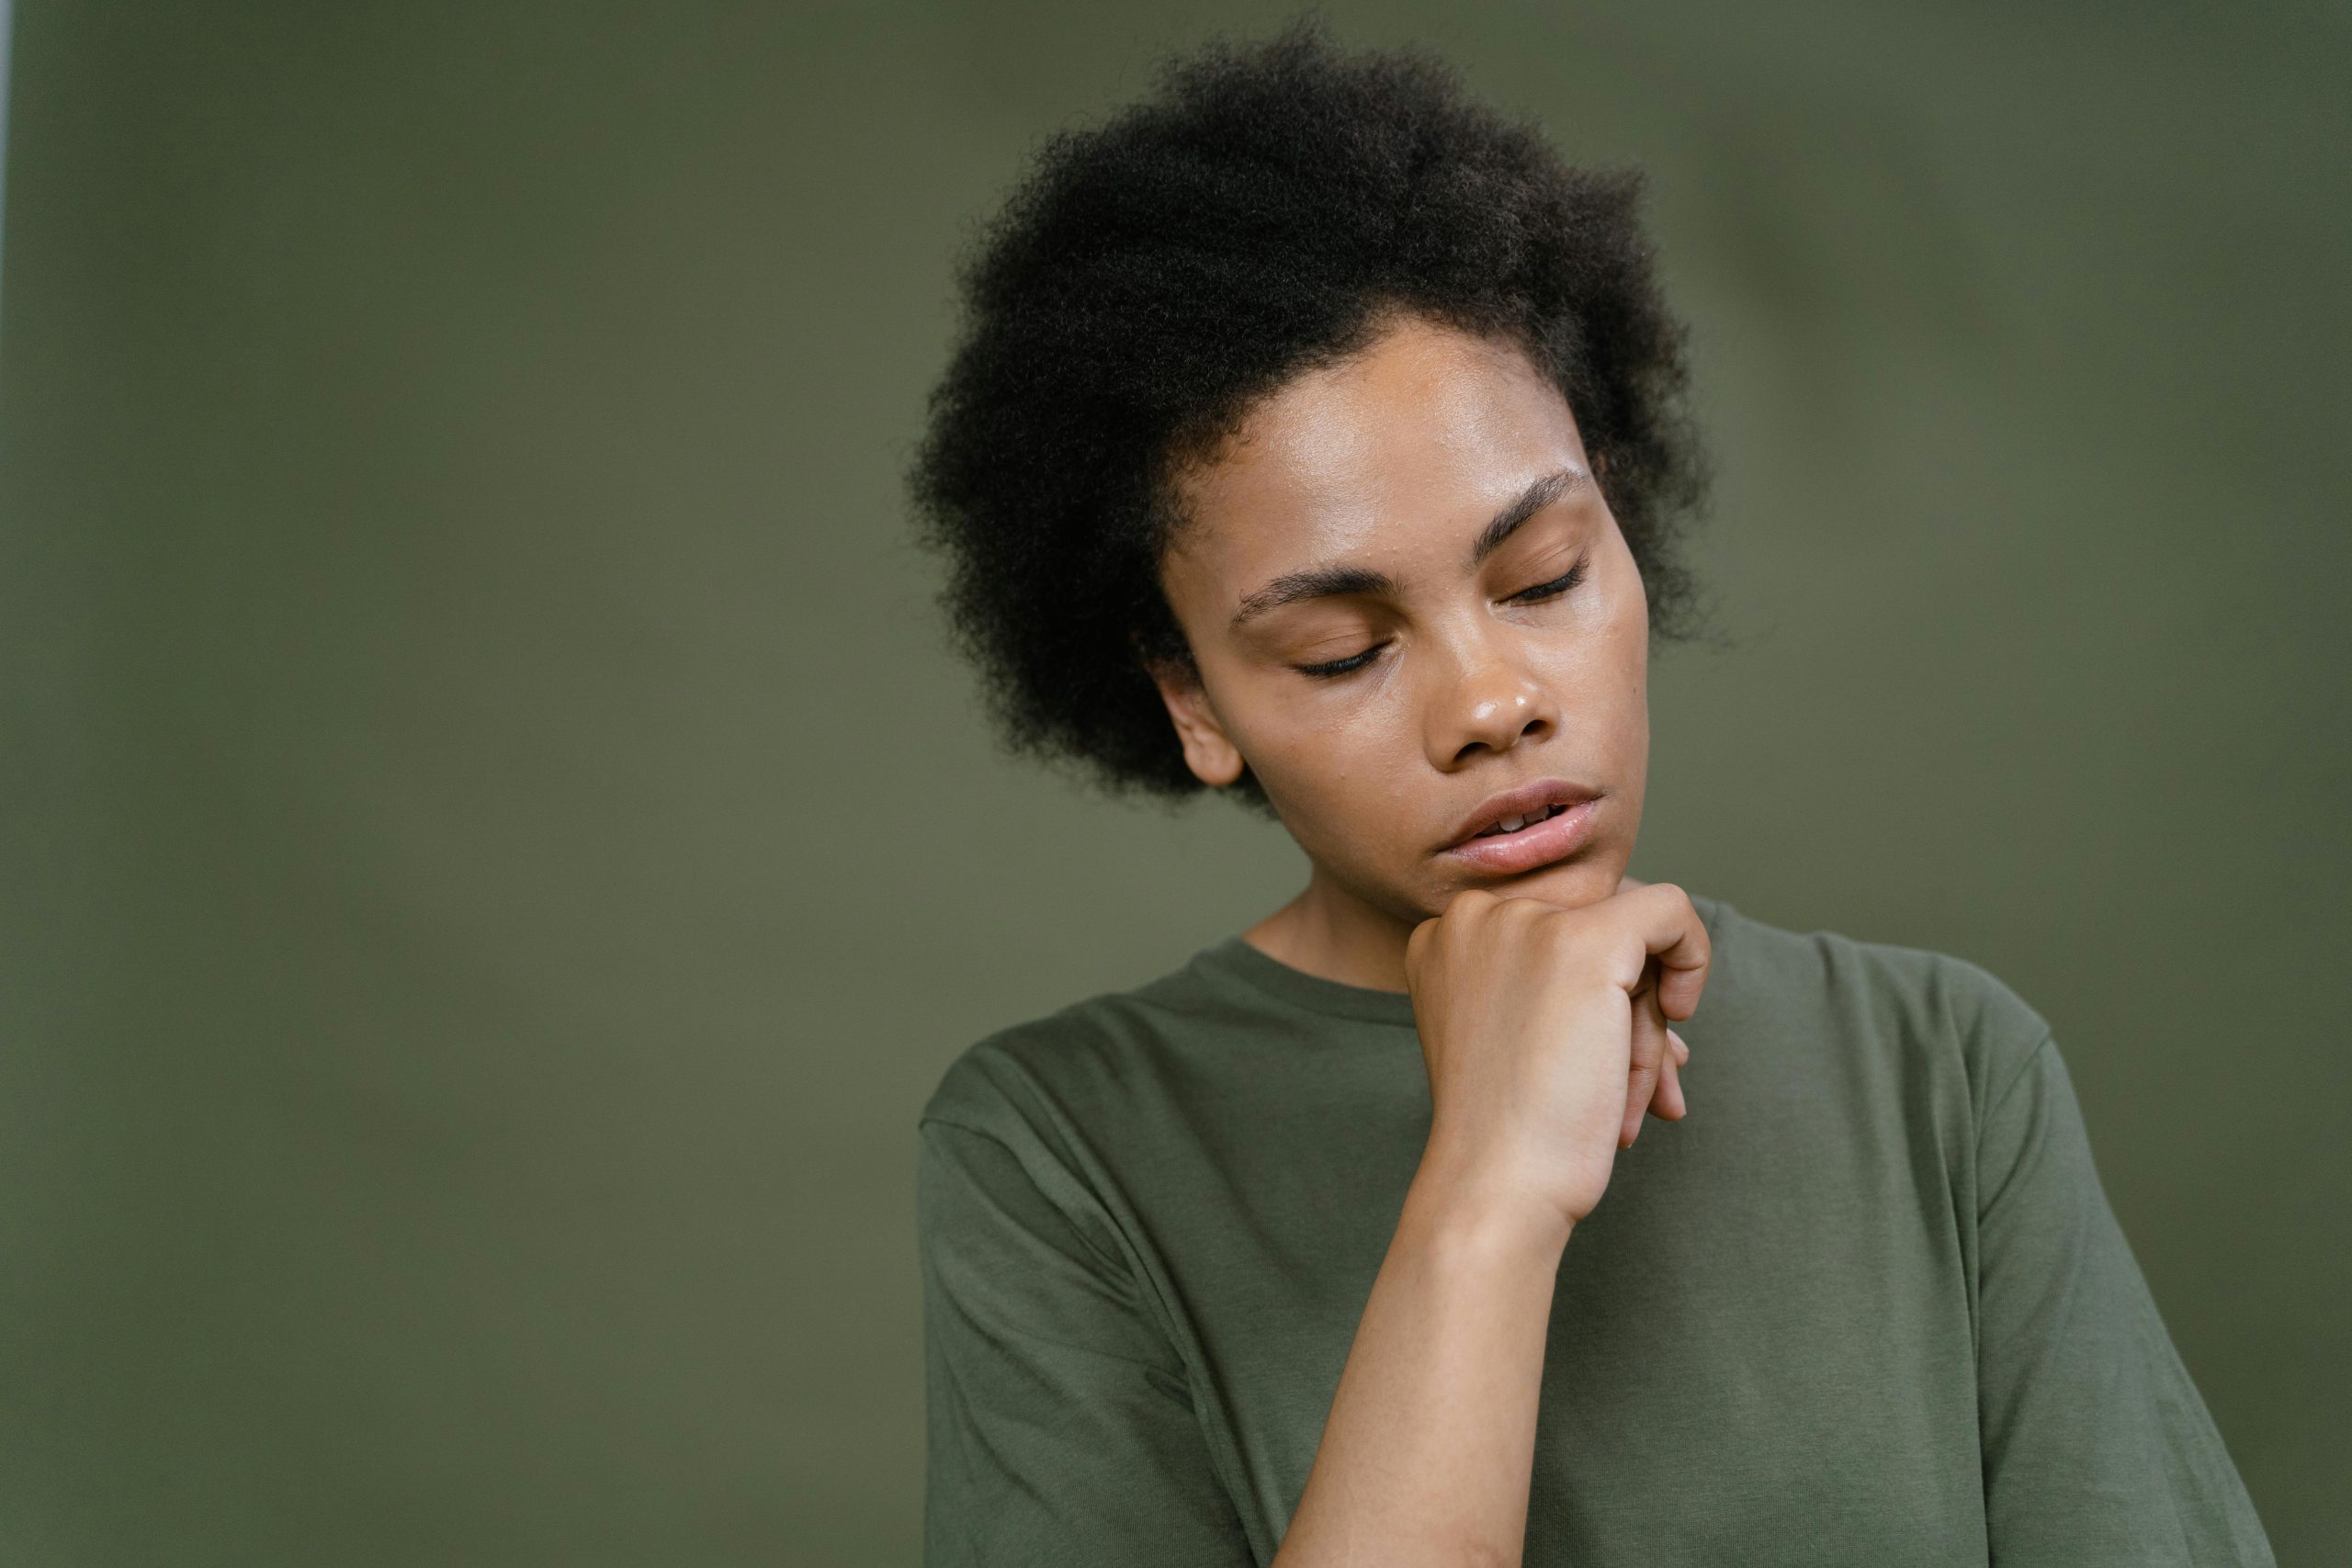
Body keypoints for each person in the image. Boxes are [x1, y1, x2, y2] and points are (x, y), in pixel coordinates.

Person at [903, 17, 2274, 1567]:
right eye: (1344, 653)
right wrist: (1485, 1198)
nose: (1492, 706)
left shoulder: (1944, 1076)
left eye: (1543, 577)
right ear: (1194, 705)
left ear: (1624, 534)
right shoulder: (1060, 1154)